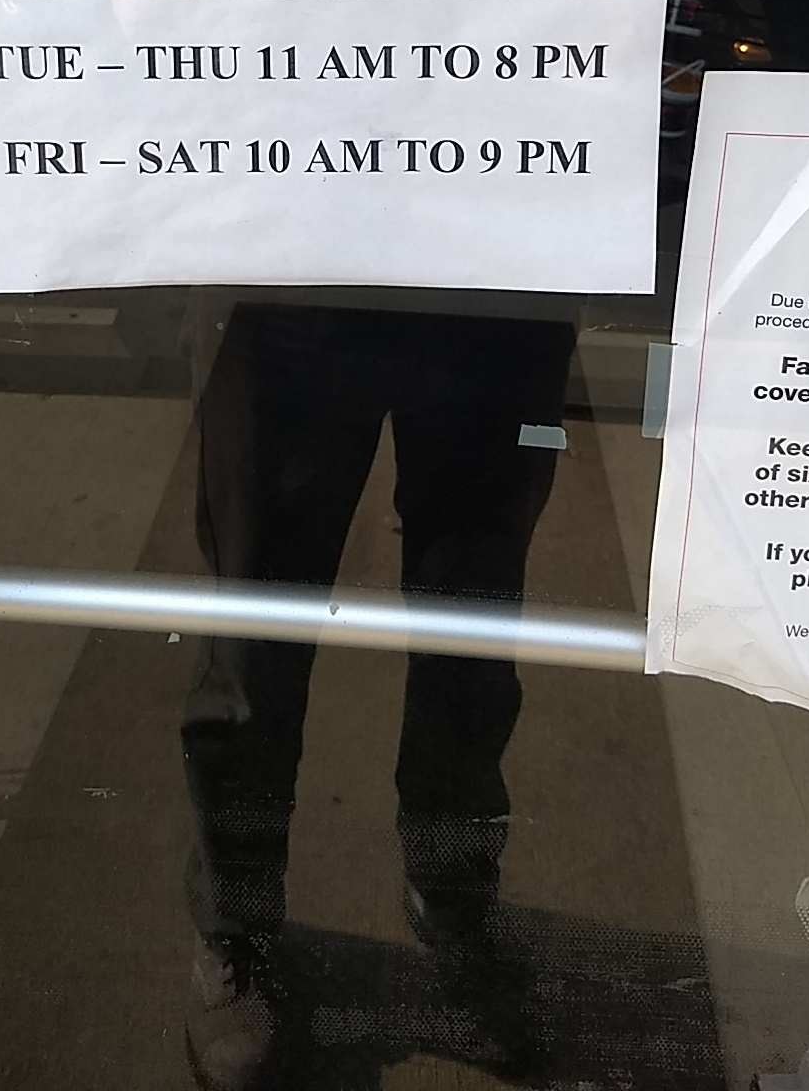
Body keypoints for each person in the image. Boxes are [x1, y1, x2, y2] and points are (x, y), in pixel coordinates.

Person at [181, 300, 575, 1091]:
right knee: (257, 622)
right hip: (302, 277)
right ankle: (236, 921)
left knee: (470, 625)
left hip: (492, 279)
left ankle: (452, 896)